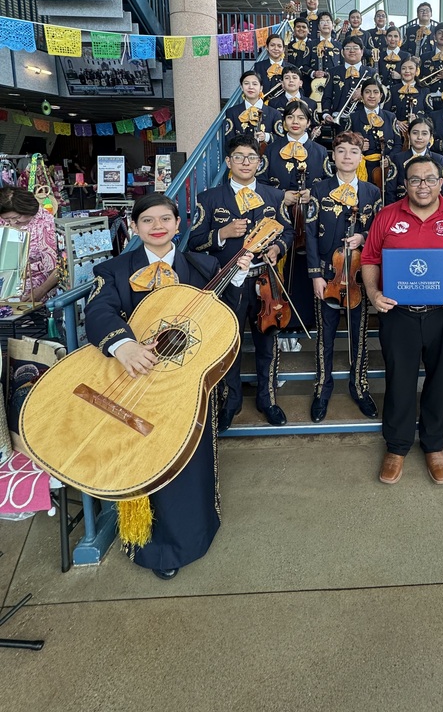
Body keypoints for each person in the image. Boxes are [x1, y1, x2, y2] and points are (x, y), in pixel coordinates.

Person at [85, 194, 253, 579]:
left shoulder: (203, 264)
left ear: (179, 225)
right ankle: (153, 546)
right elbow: (99, 310)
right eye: (147, 220)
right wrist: (122, 345)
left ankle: (194, 533)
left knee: (186, 462)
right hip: (136, 381)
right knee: (143, 459)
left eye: (166, 219)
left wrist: (238, 277)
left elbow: (225, 316)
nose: (157, 226)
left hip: (186, 385)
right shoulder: (112, 268)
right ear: (134, 227)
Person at [361, 155, 443, 485]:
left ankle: (434, 447)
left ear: (440, 181)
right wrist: (374, 295)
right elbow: (370, 259)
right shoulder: (387, 217)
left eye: (430, 179)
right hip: (398, 315)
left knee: (442, 380)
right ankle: (397, 447)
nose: (423, 186)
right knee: (400, 380)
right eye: (415, 180)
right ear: (405, 184)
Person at [188, 135, 294, 429]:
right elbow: (194, 242)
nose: (245, 162)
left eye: (251, 157)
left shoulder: (274, 196)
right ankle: (229, 401)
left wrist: (277, 248)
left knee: (267, 342)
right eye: (238, 157)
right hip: (226, 283)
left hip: (265, 282)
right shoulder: (208, 198)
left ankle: (267, 398)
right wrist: (223, 233)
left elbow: (288, 233)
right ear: (227, 162)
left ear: (259, 163)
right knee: (227, 344)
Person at [305, 132, 382, 422]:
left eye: (353, 151)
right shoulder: (319, 189)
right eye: (341, 151)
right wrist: (315, 275)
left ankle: (359, 388)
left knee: (358, 335)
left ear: (361, 158)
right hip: (326, 274)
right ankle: (322, 389)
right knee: (324, 336)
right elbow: (310, 234)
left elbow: (377, 232)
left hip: (358, 275)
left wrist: (362, 236)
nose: (347, 156)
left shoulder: (371, 192)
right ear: (333, 156)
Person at [259, 100, 332, 331]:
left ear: (309, 123)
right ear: (283, 122)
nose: (295, 122)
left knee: (304, 263)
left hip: (309, 219)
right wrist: (282, 195)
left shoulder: (319, 151)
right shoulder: (270, 150)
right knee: (280, 262)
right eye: (290, 117)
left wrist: (313, 193)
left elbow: (330, 185)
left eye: (301, 118)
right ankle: (277, 318)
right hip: (278, 217)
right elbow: (259, 182)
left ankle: (304, 321)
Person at [0, 186, 59, 303]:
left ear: (28, 210)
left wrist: (42, 290)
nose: (12, 223)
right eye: (7, 220)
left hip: (38, 278)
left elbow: (58, 268)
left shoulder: (45, 224)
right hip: (7, 275)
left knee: (20, 298)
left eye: (16, 217)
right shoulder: (4, 219)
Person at [348, 79, 401, 195]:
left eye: (376, 92)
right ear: (361, 95)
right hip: (363, 167)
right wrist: (358, 147)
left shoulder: (390, 117)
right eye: (367, 92)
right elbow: (345, 144)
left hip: (386, 168)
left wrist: (389, 158)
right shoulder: (353, 118)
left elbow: (398, 144)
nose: (372, 96)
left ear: (381, 96)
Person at [385, 116, 443, 205]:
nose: (419, 137)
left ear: (430, 137)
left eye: (424, 133)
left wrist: (433, 180)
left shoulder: (438, 159)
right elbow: (390, 191)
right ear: (408, 135)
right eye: (415, 133)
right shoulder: (398, 159)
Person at [223, 69, 279, 148]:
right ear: (241, 87)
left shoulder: (274, 113)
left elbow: (281, 140)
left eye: (255, 84)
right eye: (246, 84)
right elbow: (229, 141)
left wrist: (266, 137)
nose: (250, 87)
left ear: (261, 88)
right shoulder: (232, 112)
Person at [321, 36, 369, 124]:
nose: (352, 51)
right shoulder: (332, 72)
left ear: (362, 52)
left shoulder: (371, 72)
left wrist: (364, 93)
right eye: (348, 48)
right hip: (338, 120)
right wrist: (326, 114)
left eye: (355, 48)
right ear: (342, 52)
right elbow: (327, 97)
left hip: (364, 120)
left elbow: (380, 97)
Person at [386, 57, 429, 128]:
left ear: (416, 71)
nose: (407, 71)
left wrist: (417, 117)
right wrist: (396, 122)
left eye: (411, 68)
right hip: (397, 131)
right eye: (403, 68)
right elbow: (386, 112)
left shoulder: (424, 90)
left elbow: (430, 114)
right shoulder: (392, 89)